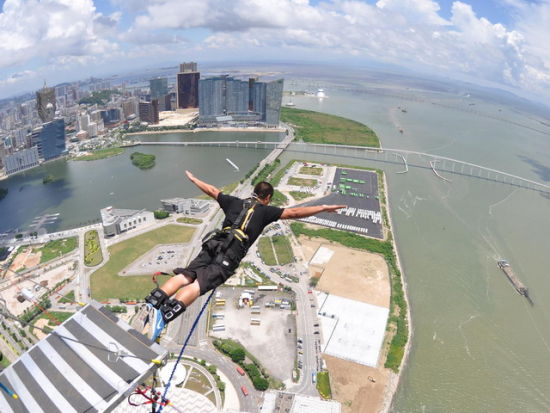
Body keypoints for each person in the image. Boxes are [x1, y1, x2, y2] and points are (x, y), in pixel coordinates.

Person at [138, 170, 345, 341]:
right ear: (268, 198)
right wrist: (324, 207)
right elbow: (294, 213)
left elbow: (212, 190)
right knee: (198, 285)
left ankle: (152, 303)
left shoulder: (233, 202)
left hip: (213, 244)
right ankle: (163, 317)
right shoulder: (266, 211)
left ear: (254, 193)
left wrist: (194, 179)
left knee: (186, 275)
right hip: (229, 255)